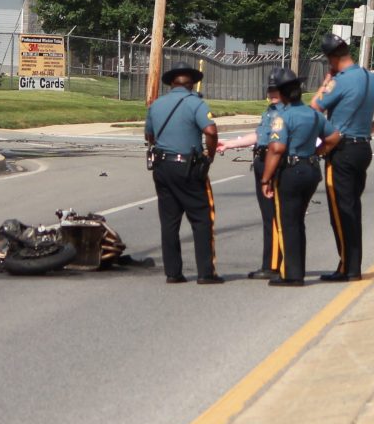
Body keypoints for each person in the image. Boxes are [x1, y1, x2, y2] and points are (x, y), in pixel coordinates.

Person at [310, 33, 374, 282]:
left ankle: (347, 267)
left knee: (340, 211)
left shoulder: (341, 80)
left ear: (331, 59)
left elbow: (315, 107)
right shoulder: (370, 78)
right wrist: (366, 131)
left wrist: (325, 83)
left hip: (342, 151)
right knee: (352, 207)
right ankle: (352, 266)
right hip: (362, 148)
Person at [261, 70, 343, 286]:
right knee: (298, 222)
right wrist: (317, 153)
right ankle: (296, 269)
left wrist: (266, 178)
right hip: (311, 169)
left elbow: (277, 148)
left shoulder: (282, 117)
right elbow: (333, 136)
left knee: (288, 222)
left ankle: (291, 274)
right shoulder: (313, 114)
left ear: (283, 94)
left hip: (291, 171)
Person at [144, 61, 222, 285]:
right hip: (188, 166)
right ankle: (206, 273)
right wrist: (210, 156)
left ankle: (173, 272)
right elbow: (211, 131)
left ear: (171, 84)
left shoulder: (156, 105)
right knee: (201, 218)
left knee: (169, 220)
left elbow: (149, 135)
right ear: (191, 84)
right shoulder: (195, 104)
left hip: (162, 165)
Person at [217, 68, 285, 279]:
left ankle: (273, 264)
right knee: (268, 216)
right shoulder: (270, 110)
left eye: (276, 90)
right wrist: (230, 144)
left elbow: (275, 143)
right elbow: (259, 135)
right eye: (270, 90)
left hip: (272, 162)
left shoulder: (283, 112)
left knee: (273, 216)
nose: (272, 94)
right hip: (262, 159)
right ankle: (272, 262)